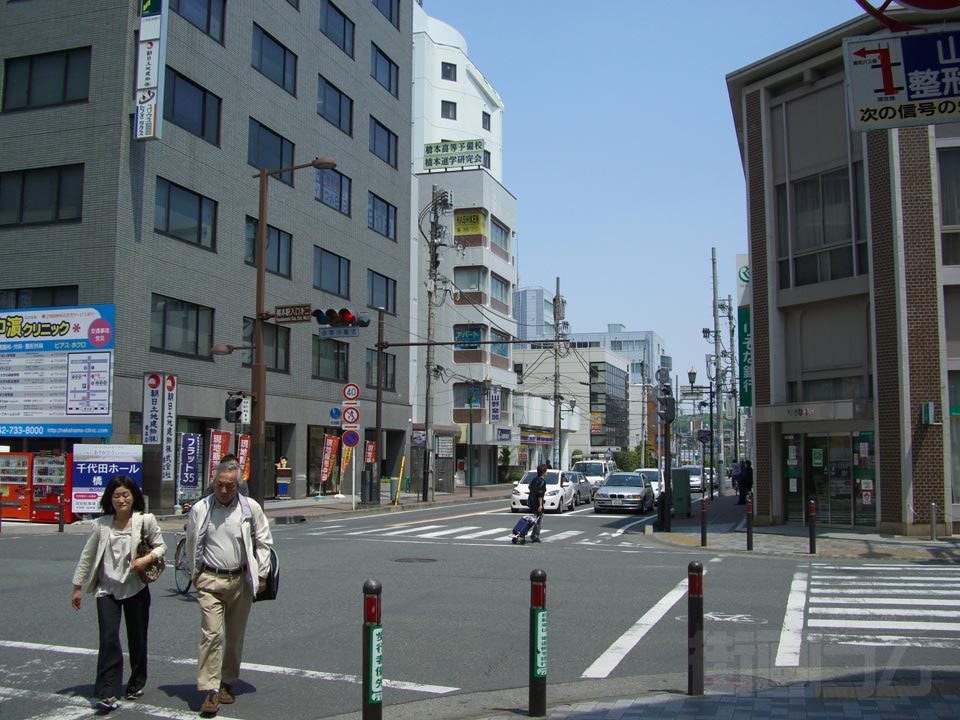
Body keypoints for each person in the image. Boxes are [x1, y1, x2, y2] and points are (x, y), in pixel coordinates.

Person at [70, 475, 166, 712]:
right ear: (109, 499)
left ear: (133, 497)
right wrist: (77, 587)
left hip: (136, 587)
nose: (121, 499)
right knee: (108, 639)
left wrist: (146, 559)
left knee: (137, 637)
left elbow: (161, 546)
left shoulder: (145, 521)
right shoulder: (101, 524)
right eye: (116, 496)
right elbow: (87, 557)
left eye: (125, 495)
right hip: (107, 588)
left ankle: (136, 682)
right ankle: (107, 691)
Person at [186, 459, 273, 715]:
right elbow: (191, 541)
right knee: (212, 634)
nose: (223, 491)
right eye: (219, 485)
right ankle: (210, 690)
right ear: (213, 483)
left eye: (230, 486)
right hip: (210, 580)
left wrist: (262, 573)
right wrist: (195, 574)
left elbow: (263, 541)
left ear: (238, 486)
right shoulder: (201, 508)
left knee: (234, 637)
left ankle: (227, 682)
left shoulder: (250, 509)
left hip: (241, 580)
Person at [527, 463, 548, 543]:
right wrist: (540, 505)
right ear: (543, 472)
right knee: (539, 519)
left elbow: (530, 487)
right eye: (546, 471)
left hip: (531, 501)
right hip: (537, 503)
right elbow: (540, 494)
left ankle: (532, 534)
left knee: (535, 518)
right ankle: (535, 535)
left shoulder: (534, 479)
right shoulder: (542, 481)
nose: (547, 473)